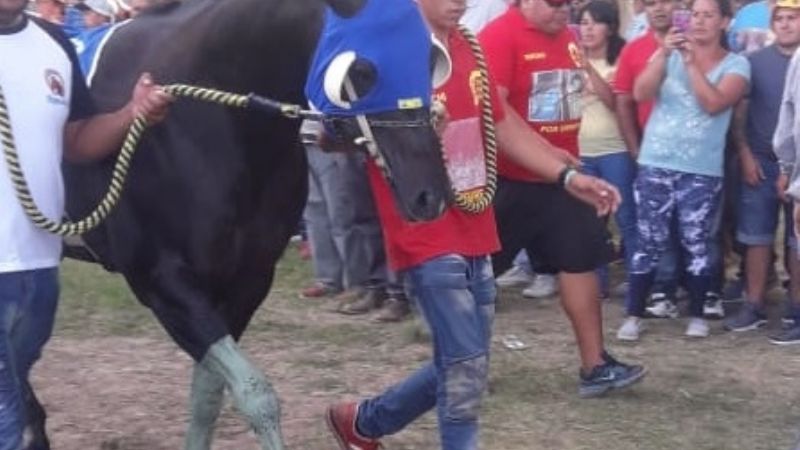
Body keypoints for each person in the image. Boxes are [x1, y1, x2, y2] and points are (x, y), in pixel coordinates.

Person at [324, 1, 644, 449]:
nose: (463, 3)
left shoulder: (469, 45)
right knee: (465, 367)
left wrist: (566, 175)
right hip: (425, 224)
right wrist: (397, 129)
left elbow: (502, 122)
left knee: (466, 358)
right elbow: (329, 130)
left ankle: (365, 422)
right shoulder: (383, 47)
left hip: (477, 220)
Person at [0, 1, 173, 447]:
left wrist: (132, 113)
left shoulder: (53, 42)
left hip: (36, 266)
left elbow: (75, 141)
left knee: (13, 386)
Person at [479, 0, 644, 387]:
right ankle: (464, 363)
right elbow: (496, 112)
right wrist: (543, 155)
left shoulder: (567, 38)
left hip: (565, 178)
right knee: (478, 275)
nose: (564, 11)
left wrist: (563, 166)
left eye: (570, 4)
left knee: (581, 260)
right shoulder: (499, 37)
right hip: (510, 180)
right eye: (555, 3)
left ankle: (595, 365)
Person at [616, 0, 750, 340]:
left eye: (708, 15)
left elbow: (714, 103)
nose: (700, 21)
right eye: (695, 15)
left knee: (698, 241)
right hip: (656, 161)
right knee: (649, 239)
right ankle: (634, 314)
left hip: (700, 168)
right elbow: (640, 92)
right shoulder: (668, 54)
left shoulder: (737, 64)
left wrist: (691, 65)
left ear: (725, 22)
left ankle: (698, 313)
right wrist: (662, 54)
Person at [577, 0, 634, 300]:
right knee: (589, 222)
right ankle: (597, 283)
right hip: (581, 151)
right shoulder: (569, 62)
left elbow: (614, 102)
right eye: (582, 23)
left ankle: (639, 282)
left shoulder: (619, 61)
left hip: (614, 150)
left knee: (626, 217)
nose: (586, 29)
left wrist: (586, 67)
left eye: (593, 23)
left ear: (610, 27)